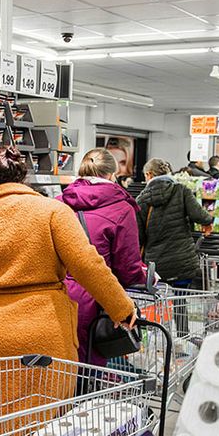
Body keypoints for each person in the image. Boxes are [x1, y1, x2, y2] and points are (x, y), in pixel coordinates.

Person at [0, 147, 136, 417]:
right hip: (46, 328)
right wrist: (122, 308)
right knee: (45, 423)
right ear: (23, 178)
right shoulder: (52, 211)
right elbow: (87, 264)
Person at [58, 148, 147, 364]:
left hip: (57, 295)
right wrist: (147, 278)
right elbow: (128, 267)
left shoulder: (59, 201)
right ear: (111, 174)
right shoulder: (121, 208)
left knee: (60, 367)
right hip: (96, 298)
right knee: (90, 370)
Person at [136, 158, 213, 286]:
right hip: (183, 262)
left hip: (157, 265)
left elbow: (138, 237)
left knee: (160, 304)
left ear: (149, 174)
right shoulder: (181, 190)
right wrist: (208, 223)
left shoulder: (141, 200)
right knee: (180, 299)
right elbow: (199, 215)